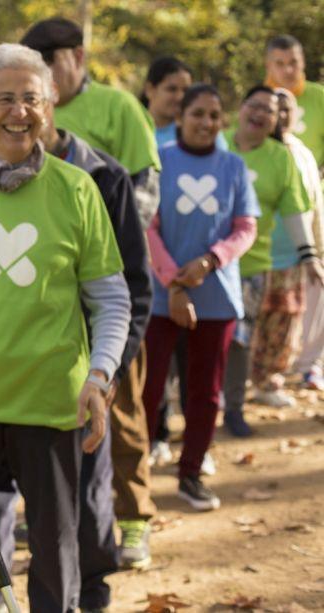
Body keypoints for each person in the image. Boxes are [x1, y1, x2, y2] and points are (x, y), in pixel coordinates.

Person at [0, 43, 131, 613]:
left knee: (55, 552)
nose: (19, 112)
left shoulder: (78, 190)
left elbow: (111, 299)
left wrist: (100, 376)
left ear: (50, 108)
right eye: (4, 99)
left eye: (32, 98)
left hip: (53, 403)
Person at [143, 83, 260, 511]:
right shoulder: (158, 162)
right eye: (198, 113)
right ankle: (132, 481)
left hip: (217, 296)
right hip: (159, 298)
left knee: (205, 392)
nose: (206, 122)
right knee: (149, 389)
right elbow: (147, 226)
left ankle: (190, 473)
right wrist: (174, 282)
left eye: (214, 115)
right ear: (181, 117)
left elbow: (245, 227)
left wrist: (210, 261)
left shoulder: (233, 167)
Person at [0, 17, 161, 228]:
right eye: (28, 58)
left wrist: (113, 234)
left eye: (47, 58)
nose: (19, 112)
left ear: (78, 56)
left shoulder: (119, 106)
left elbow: (144, 184)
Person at [222, 86, 316, 436]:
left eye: (270, 111)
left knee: (240, 339)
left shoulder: (281, 157)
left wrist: (309, 256)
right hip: (205, 265)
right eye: (255, 105)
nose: (261, 114)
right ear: (241, 108)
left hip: (252, 266)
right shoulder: (216, 144)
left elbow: (295, 211)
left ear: (277, 121)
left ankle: (233, 408)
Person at [277, 88, 324, 390]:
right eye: (276, 109)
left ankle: (310, 367)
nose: (282, 116)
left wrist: (317, 246)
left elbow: (314, 202)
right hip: (269, 251)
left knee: (313, 306)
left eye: (287, 109)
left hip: (306, 245)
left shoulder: (303, 152)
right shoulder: (254, 151)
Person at [141, 56, 228, 150]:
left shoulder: (202, 131)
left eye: (186, 90)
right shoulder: (131, 128)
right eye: (172, 89)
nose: (180, 97)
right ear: (149, 89)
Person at [265, 35, 324, 168]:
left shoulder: (321, 96)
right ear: (268, 65)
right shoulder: (257, 102)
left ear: (303, 62)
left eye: (293, 62)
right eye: (280, 63)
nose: (288, 70)